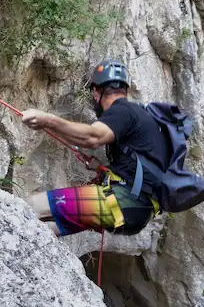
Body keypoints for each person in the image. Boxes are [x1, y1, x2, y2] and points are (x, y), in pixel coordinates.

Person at [21, 60, 169, 237]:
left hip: (121, 201)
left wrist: (49, 120)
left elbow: (93, 137)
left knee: (30, 206)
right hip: (137, 211)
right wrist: (101, 168)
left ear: (96, 91)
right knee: (46, 230)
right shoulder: (142, 117)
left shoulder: (123, 110)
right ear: (126, 90)